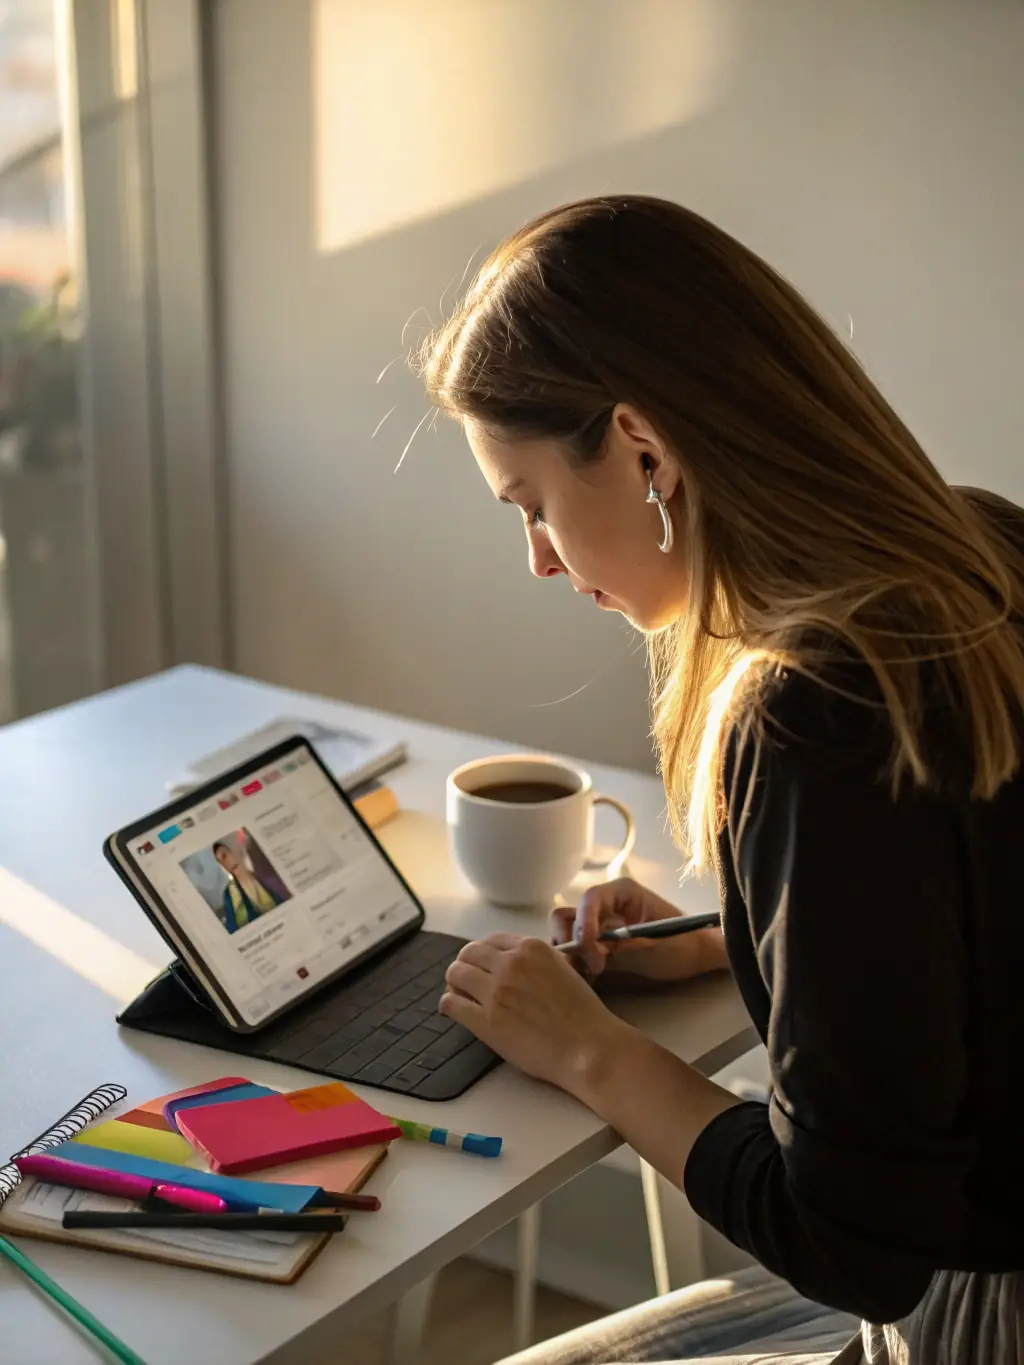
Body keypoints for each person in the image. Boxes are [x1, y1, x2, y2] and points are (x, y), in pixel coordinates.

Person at [416, 196, 1024, 1364]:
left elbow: (857, 1246)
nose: (538, 558)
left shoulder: (813, 710)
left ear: (643, 449)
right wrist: (736, 943)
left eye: (531, 503)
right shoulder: (982, 547)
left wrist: (589, 1050)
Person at [212, 838, 283, 933]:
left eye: (224, 856)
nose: (225, 864)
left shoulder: (262, 874)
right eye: (220, 862)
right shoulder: (228, 894)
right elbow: (232, 928)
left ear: (234, 851)